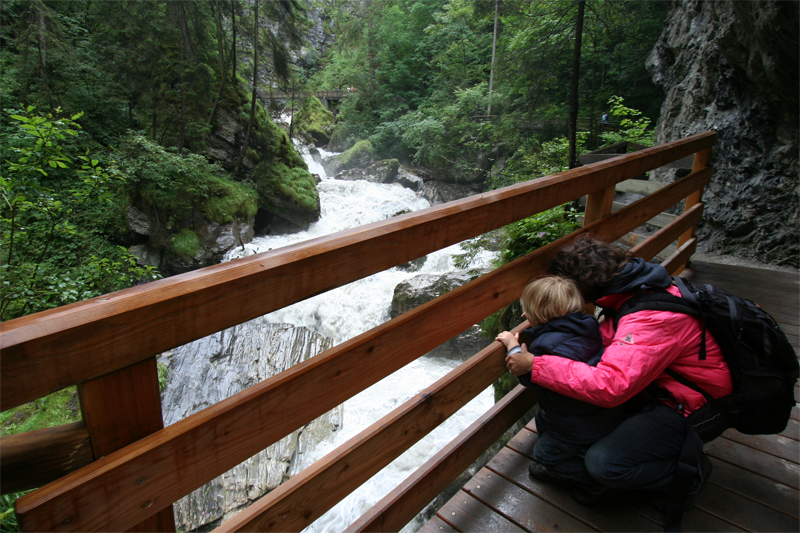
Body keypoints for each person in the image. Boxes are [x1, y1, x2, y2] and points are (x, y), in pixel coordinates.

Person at [505, 234, 732, 511]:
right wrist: (550, 318)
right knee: (571, 427)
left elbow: (610, 386)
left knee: (605, 464)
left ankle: (687, 473)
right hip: (655, 388)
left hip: (691, 407)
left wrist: (535, 365)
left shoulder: (651, 316)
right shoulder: (634, 289)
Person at [496, 276, 626, 494]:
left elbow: (526, 373)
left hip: (575, 423)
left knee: (544, 454)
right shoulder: (587, 325)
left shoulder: (546, 345)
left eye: (528, 311)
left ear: (543, 315)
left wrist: (512, 343)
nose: (524, 316)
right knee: (543, 419)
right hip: (595, 412)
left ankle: (592, 482)